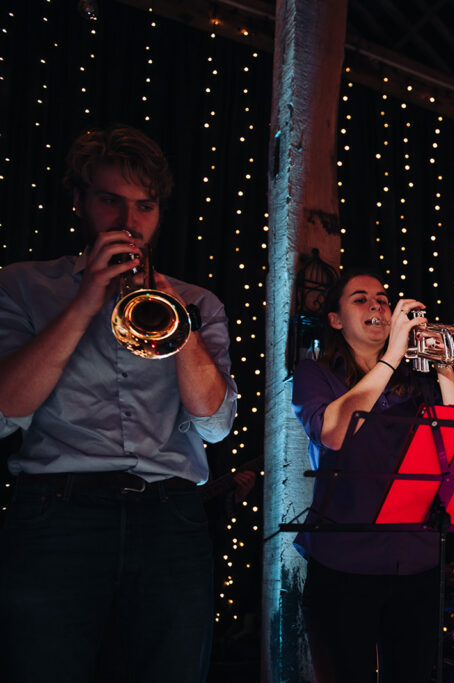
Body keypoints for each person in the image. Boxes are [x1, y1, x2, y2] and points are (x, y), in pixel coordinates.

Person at [0, 124, 237, 682]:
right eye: (111, 200)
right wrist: (85, 302)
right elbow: (6, 409)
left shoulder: (199, 303)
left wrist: (177, 318)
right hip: (57, 518)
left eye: (145, 206)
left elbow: (216, 424)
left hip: (171, 520)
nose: (129, 224)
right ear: (80, 200)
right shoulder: (22, 285)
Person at [291, 269, 454, 683]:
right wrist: (393, 355)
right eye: (360, 298)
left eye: (384, 299)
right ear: (335, 320)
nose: (378, 305)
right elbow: (333, 433)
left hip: (416, 560)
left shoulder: (419, 382)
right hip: (344, 562)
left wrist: (445, 371)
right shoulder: (315, 375)